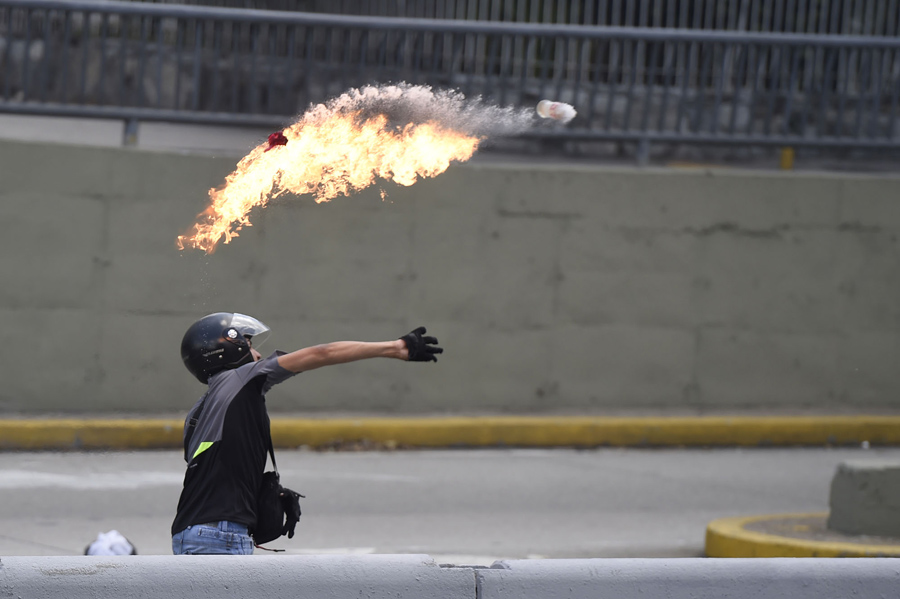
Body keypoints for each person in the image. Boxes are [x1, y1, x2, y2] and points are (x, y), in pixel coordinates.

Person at [171, 312, 442, 555]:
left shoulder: (197, 414)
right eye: (251, 346)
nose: (258, 355)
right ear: (229, 349)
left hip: (188, 533)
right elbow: (322, 353)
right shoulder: (243, 379)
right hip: (220, 535)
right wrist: (396, 348)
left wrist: (266, 495)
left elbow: (217, 472)